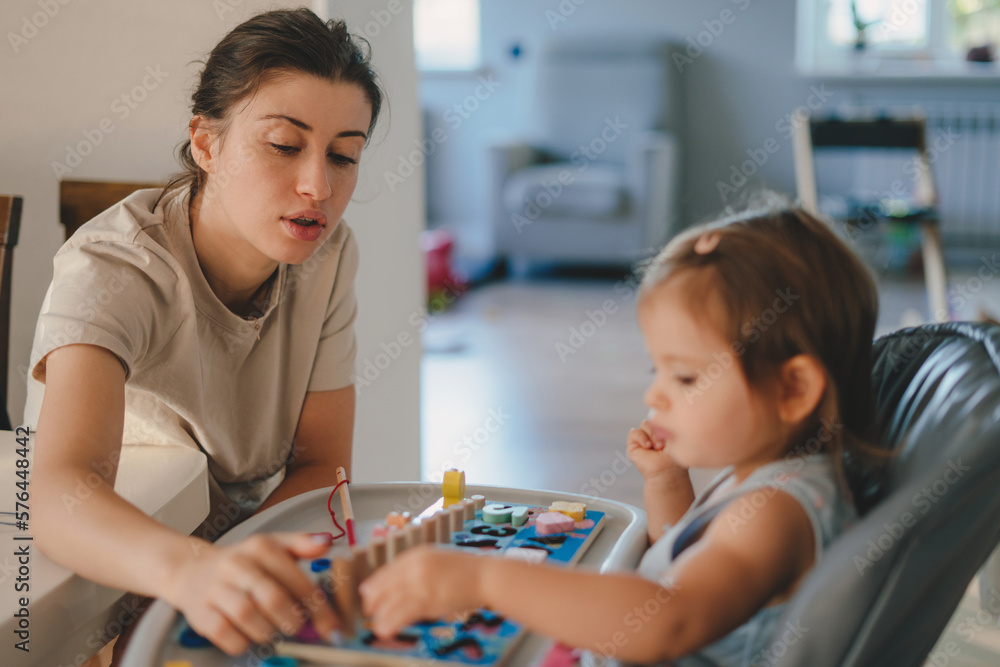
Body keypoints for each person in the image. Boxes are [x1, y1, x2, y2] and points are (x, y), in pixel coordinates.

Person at [360, 197, 884, 665]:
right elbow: (688, 562)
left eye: (685, 376)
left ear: (793, 389)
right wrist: (667, 483)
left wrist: (485, 580)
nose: (654, 395)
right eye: (654, 371)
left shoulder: (776, 512)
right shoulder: (769, 480)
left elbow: (670, 619)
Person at [28, 8, 382, 659]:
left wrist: (249, 572)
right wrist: (195, 574)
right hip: (114, 571)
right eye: (284, 145)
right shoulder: (112, 268)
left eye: (343, 155)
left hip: (244, 551)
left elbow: (323, 464)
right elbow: (59, 495)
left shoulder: (330, 257)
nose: (318, 186)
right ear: (206, 142)